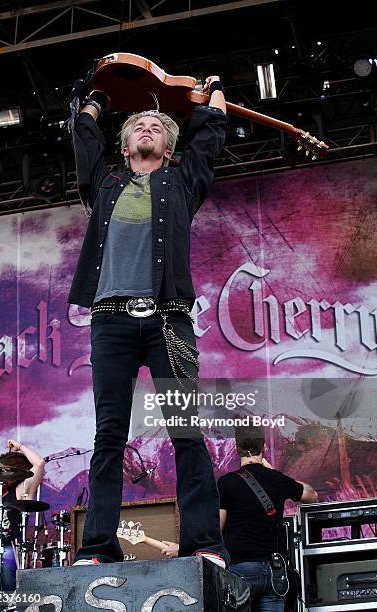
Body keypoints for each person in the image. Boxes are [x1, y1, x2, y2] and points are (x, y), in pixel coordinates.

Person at [68, 71, 230, 568]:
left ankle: (204, 542)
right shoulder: (104, 183)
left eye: (156, 127)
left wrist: (213, 95)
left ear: (167, 146)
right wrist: (95, 99)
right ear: (124, 146)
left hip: (169, 320)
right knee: (109, 436)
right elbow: (84, 134)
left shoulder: (182, 181)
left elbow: (209, 137)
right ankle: (98, 548)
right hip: (111, 322)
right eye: (137, 125)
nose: (146, 128)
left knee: (185, 430)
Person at [160, 424, 318, 612]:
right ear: (264, 447)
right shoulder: (278, 479)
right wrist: (275, 472)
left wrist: (184, 548)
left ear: (236, 449)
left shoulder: (227, 482)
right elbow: (311, 494)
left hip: (242, 570)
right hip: (275, 570)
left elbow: (215, 529)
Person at [0, 440, 45, 591]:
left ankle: (10, 603)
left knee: (6, 557)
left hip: (9, 546)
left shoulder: (20, 491)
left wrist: (19, 447)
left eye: (3, 471)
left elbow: (39, 463)